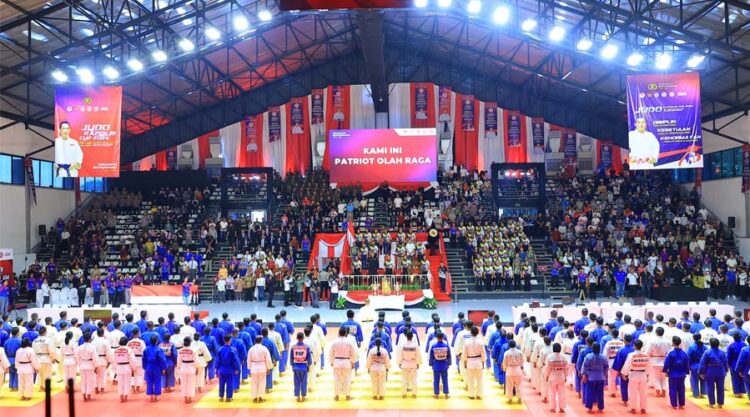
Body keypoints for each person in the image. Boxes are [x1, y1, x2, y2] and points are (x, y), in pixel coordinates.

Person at [699, 337, 729, 408]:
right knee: (721, 387)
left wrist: (701, 372)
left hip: (710, 371)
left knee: (710, 387)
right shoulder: (722, 353)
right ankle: (720, 403)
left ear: (710, 344)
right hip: (720, 370)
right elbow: (725, 362)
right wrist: (726, 370)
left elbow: (702, 363)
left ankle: (711, 403)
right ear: (718, 344)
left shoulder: (707, 352)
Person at [330, 327, 357, 401]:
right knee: (347, 379)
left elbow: (331, 353)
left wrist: (331, 361)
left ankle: (336, 396)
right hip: (346, 362)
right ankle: (347, 396)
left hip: (337, 362)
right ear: (346, 334)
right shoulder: (349, 342)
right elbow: (353, 354)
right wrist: (353, 362)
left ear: (339, 333)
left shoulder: (334, 342)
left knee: (336, 379)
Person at [662, 336, 689, 409]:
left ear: (673, 343)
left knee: (673, 389)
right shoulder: (684, 353)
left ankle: (674, 404)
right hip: (682, 374)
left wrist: (665, 371)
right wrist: (686, 372)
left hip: (673, 374)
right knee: (681, 389)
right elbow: (687, 364)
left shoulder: (671, 353)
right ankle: (681, 403)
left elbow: (667, 363)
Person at [581, 342, 608, 413]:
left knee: (589, 392)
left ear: (592, 349)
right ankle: (600, 408)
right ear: (600, 349)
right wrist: (605, 374)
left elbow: (585, 366)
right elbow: (606, 367)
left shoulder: (588, 356)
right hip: (601, 376)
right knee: (600, 393)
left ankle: (589, 408)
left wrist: (584, 375)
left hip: (591, 377)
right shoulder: (603, 357)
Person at [462, 326, 486, 400]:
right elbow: (483, 354)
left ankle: (471, 394)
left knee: (470, 379)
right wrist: (483, 363)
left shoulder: (467, 342)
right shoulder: (481, 342)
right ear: (478, 333)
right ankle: (479, 394)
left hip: (470, 362)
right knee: (479, 379)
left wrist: (465, 363)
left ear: (471, 333)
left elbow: (464, 354)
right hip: (478, 362)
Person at [396, 329, 421, 398]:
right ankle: (414, 394)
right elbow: (418, 355)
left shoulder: (403, 345)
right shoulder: (415, 345)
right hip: (413, 363)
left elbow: (400, 355)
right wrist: (418, 363)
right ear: (412, 337)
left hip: (405, 363)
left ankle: (404, 394)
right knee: (414, 379)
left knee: (404, 379)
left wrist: (399, 362)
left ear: (406, 336)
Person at [545, 342, 569, 413]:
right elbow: (566, 368)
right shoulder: (564, 357)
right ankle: (561, 408)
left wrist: (547, 376)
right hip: (561, 376)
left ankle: (552, 408)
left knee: (552, 393)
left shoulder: (550, 357)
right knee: (562, 393)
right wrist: (565, 376)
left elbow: (547, 368)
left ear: (553, 349)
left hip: (552, 376)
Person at [248, 335, 273, 403]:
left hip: (254, 367)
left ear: (255, 341)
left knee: (254, 383)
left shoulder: (251, 349)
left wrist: (249, 368)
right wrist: (268, 368)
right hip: (262, 367)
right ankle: (261, 397)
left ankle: (254, 397)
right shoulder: (264, 348)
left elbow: (248, 359)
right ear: (261, 341)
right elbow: (268, 359)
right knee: (262, 383)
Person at [647, 326, 671, 397]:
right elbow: (669, 352)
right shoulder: (668, 341)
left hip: (654, 361)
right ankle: (663, 392)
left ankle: (658, 392)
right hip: (665, 361)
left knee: (656, 377)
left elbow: (648, 351)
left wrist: (650, 355)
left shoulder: (653, 341)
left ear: (656, 333)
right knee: (663, 377)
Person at [216, 334, 240, 402]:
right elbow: (235, 360)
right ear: (230, 340)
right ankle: (228, 397)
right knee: (230, 383)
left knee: (221, 383)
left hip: (222, 369)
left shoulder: (220, 349)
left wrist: (217, 368)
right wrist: (237, 369)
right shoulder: (233, 349)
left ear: (224, 340)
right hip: (230, 369)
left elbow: (217, 360)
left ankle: (221, 397)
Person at [142, 335, 167, 402]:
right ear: (156, 341)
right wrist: (164, 368)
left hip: (149, 366)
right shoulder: (159, 349)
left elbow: (144, 359)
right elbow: (162, 360)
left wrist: (144, 367)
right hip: (157, 366)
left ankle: (150, 397)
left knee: (149, 381)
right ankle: (156, 396)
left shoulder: (146, 349)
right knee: (157, 381)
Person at [32, 326, 57, 392]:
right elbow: (51, 350)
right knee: (47, 373)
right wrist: (54, 358)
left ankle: (41, 387)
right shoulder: (48, 340)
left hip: (38, 358)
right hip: (46, 358)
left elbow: (33, 350)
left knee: (40, 374)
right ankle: (46, 387)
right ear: (45, 332)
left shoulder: (35, 340)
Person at [290, 332, 312, 402]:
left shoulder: (293, 347)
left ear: (297, 338)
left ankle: (298, 397)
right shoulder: (306, 347)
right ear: (303, 338)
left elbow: (291, 358)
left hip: (296, 366)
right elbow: (309, 358)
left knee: (296, 382)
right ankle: (303, 396)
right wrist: (308, 365)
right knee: (304, 382)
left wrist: (293, 365)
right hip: (304, 366)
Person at [113, 336, 136, 402]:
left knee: (120, 383)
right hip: (126, 366)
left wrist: (115, 368)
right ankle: (125, 396)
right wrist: (133, 368)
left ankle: (121, 396)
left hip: (119, 367)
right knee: (127, 382)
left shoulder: (116, 350)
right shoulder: (129, 350)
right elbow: (132, 360)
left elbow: (114, 360)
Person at [429, 331, 451, 399]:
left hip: (436, 365)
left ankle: (436, 394)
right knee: (445, 380)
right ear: (443, 337)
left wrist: (432, 364)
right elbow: (449, 356)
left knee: (436, 380)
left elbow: (431, 356)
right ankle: (446, 394)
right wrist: (448, 364)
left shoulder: (434, 346)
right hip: (444, 365)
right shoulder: (446, 346)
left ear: (436, 338)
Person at [76, 332, 97, 401]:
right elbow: (95, 358)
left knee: (83, 381)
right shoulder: (92, 347)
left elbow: (77, 357)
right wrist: (95, 366)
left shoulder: (79, 347)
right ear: (90, 339)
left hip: (82, 364)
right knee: (89, 381)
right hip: (90, 365)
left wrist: (79, 365)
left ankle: (84, 395)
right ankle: (88, 395)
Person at [502, 339, 524, 404]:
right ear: (515, 345)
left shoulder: (506, 353)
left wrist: (504, 369)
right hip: (518, 370)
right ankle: (519, 399)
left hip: (510, 370)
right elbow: (522, 361)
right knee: (519, 385)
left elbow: (504, 362)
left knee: (509, 386)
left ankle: (509, 399)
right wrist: (521, 366)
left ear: (509, 345)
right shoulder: (520, 352)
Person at [177, 337, 198, 403]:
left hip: (183, 367)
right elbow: (196, 361)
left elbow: (178, 361)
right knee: (191, 384)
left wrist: (178, 367)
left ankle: (185, 398)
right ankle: (190, 398)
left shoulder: (180, 350)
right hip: (191, 367)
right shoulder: (193, 350)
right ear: (190, 342)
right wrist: (197, 368)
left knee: (183, 384)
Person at [687, 333, 707, 398]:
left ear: (693, 338)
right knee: (703, 379)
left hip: (694, 366)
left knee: (694, 380)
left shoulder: (691, 347)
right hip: (703, 366)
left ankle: (696, 394)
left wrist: (688, 366)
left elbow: (689, 357)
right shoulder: (705, 347)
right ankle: (703, 392)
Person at [735, 335, 750, 401]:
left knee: (748, 384)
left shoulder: (745, 349)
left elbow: (741, 361)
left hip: (747, 369)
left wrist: (738, 370)